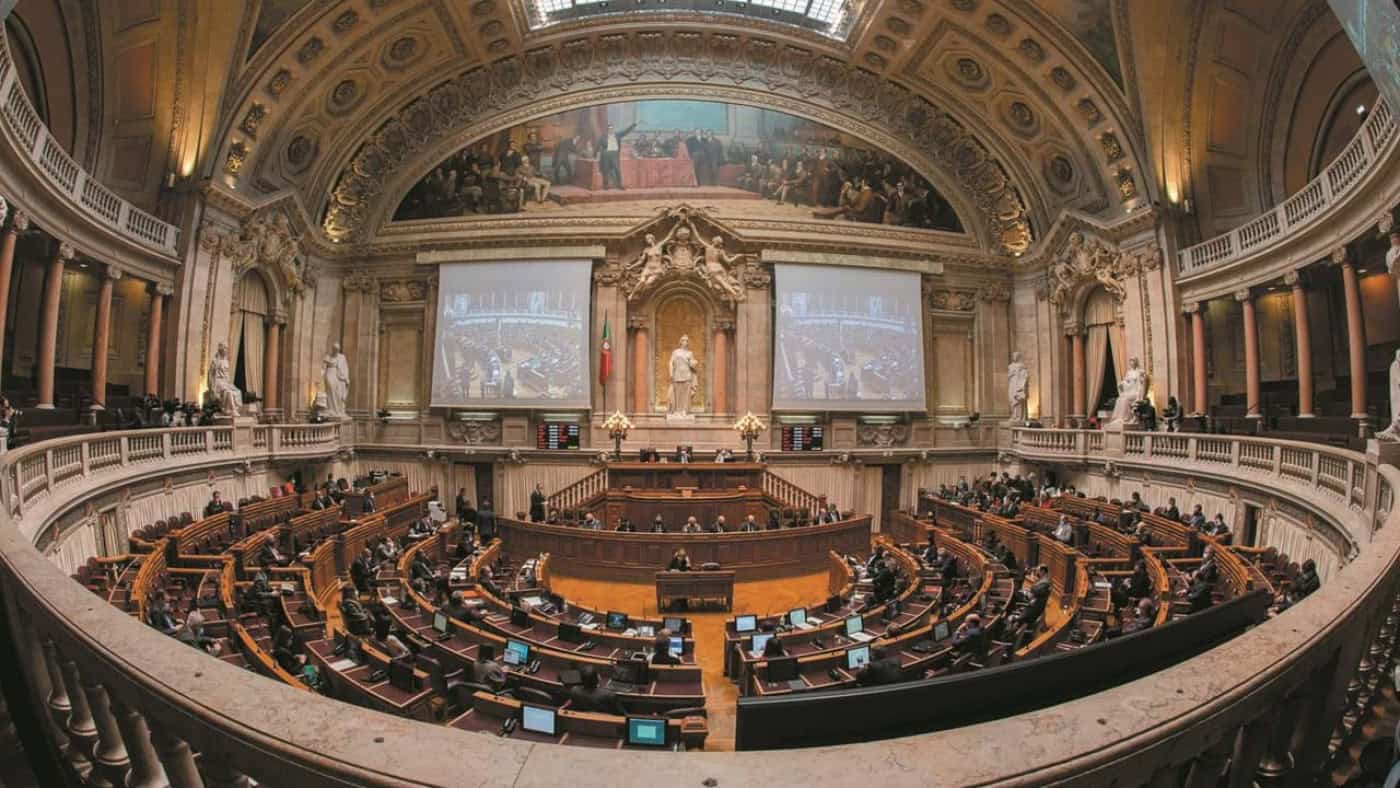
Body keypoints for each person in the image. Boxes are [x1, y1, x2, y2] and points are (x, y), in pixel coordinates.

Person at [597, 122, 638, 190]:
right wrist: (596, 154)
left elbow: (626, 131)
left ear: (613, 129)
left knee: (617, 170)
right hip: (606, 155)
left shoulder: (617, 135)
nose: (611, 130)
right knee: (606, 171)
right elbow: (598, 145)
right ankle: (605, 186)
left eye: (612, 129)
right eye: (609, 129)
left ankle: (619, 185)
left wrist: (633, 125)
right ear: (607, 130)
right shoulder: (603, 136)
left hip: (615, 155)